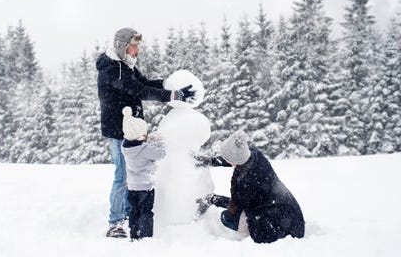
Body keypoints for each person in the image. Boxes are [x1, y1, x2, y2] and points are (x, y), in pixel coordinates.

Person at [96, 27, 195, 238]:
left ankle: (129, 213)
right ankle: (115, 222)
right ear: (122, 47)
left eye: (138, 46)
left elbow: (144, 83)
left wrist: (168, 86)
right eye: (133, 46)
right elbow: (140, 91)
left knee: (131, 174)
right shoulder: (113, 70)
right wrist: (172, 95)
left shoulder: (125, 66)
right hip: (118, 131)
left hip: (131, 129)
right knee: (123, 176)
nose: (137, 50)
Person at [195, 129, 305, 243]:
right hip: (291, 212)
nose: (226, 160)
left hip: (284, 227)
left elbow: (236, 205)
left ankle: (255, 237)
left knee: (228, 218)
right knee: (239, 213)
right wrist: (211, 161)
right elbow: (235, 158)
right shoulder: (253, 154)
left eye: (227, 158)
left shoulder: (247, 182)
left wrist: (211, 199)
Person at [120, 106, 166, 240]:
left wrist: (145, 140)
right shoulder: (145, 149)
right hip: (145, 187)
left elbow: (139, 145)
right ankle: (145, 237)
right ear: (139, 136)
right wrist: (160, 142)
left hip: (132, 186)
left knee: (134, 211)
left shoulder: (126, 148)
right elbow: (161, 154)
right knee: (146, 212)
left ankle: (134, 234)